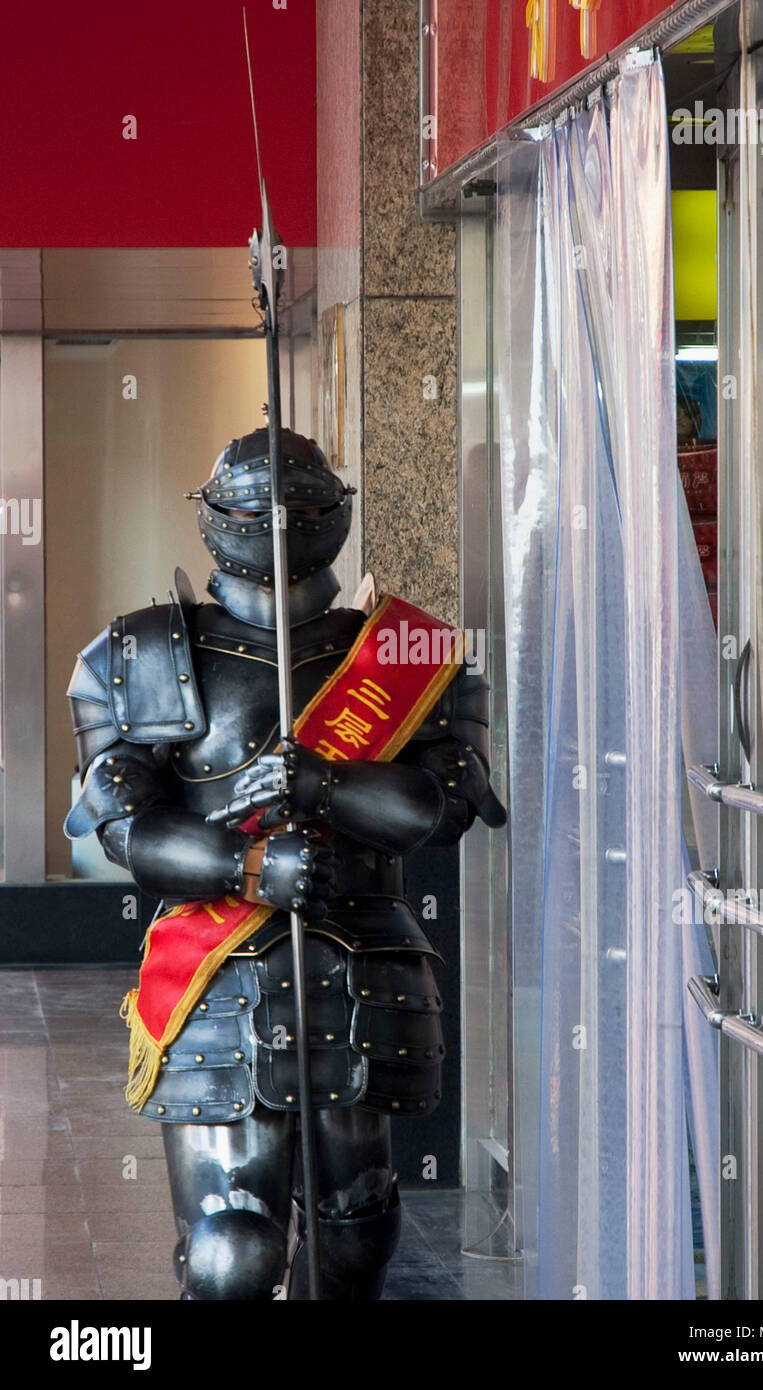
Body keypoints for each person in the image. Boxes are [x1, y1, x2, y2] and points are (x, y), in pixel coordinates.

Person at [64, 427, 506, 1300]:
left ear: (336, 518)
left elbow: (444, 806)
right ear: (212, 519)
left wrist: (330, 782)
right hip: (217, 974)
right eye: (256, 511)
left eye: (299, 510)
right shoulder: (142, 651)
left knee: (355, 1239)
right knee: (233, 1250)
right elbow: (122, 825)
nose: (277, 526)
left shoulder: (407, 650)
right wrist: (245, 863)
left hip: (365, 968)